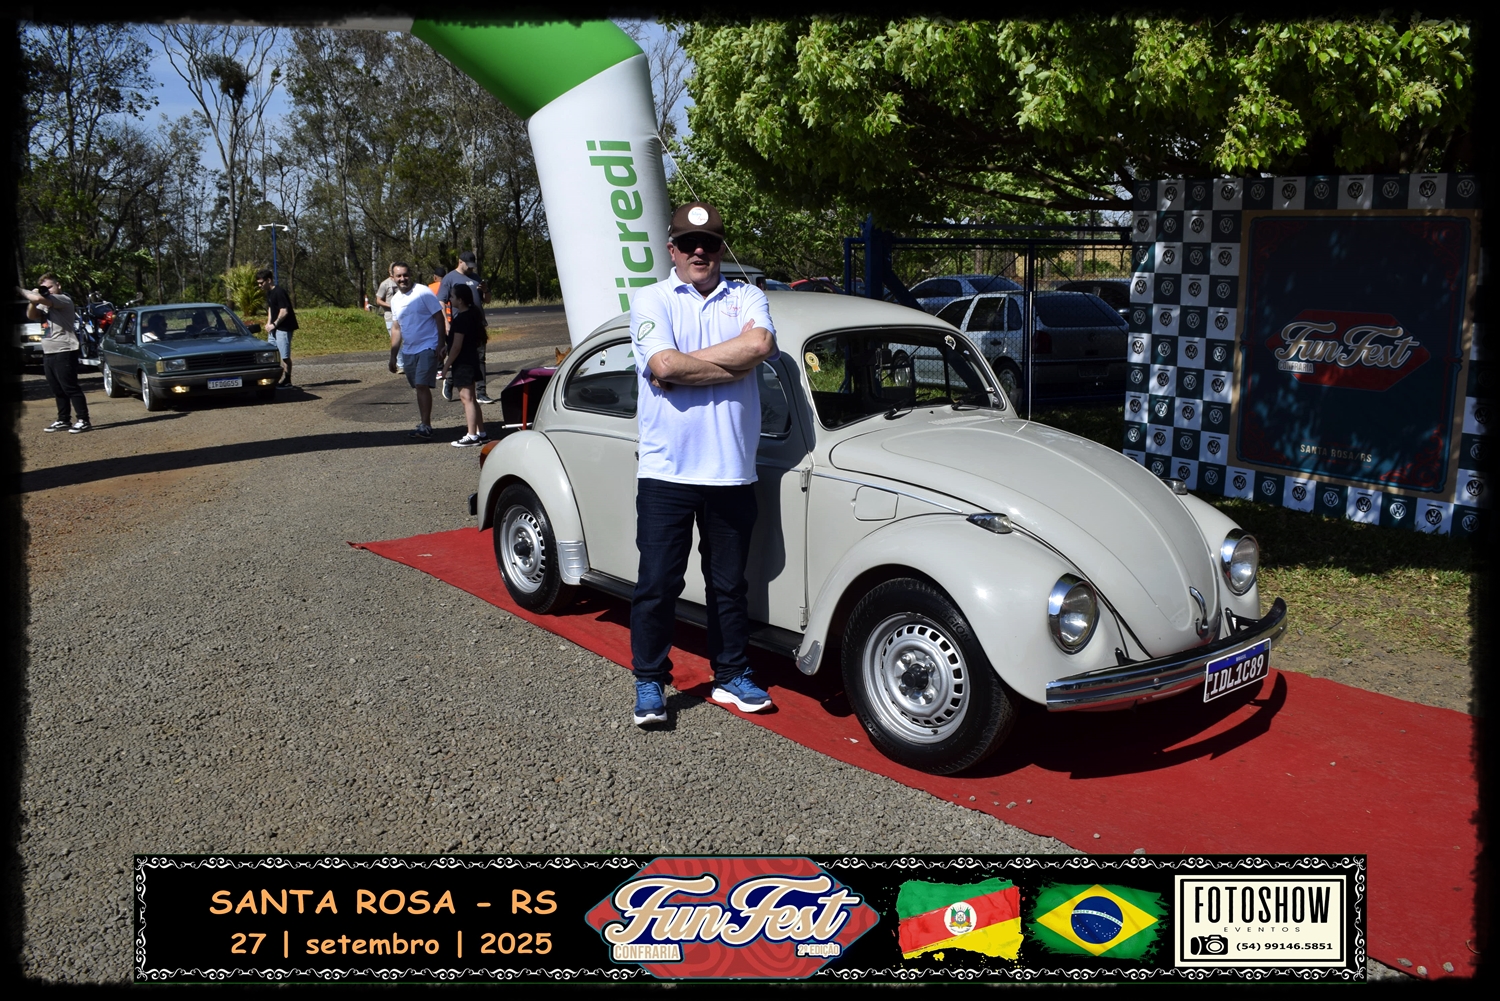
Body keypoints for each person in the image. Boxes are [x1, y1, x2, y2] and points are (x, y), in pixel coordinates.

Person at [626, 202, 779, 727]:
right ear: (671, 249)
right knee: (657, 583)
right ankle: (650, 679)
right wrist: (735, 366)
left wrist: (685, 369)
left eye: (710, 243)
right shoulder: (652, 298)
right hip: (666, 471)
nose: (699, 252)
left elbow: (761, 343)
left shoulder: (747, 296)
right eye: (689, 244)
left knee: (729, 584)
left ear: (720, 249)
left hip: (731, 470)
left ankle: (731, 674)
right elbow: (662, 363)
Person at [20, 273, 91, 433]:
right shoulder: (44, 304)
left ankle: (83, 420)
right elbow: (31, 315)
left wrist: (21, 290)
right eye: (44, 288)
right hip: (49, 350)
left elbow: (39, 298)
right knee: (57, 388)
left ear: (58, 285)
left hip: (65, 349)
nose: (48, 290)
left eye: (50, 287)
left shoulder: (62, 299)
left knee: (70, 387)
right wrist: (33, 300)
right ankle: (63, 419)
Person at [387, 262, 448, 438]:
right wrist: (393, 356)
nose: (402, 279)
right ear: (393, 278)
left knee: (422, 384)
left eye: (405, 275)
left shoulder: (423, 292)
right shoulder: (395, 300)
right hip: (409, 350)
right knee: (418, 386)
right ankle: (424, 423)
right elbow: (396, 328)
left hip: (428, 345)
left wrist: (440, 344)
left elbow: (439, 317)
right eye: (399, 276)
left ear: (410, 275)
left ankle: (426, 426)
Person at [439, 250, 492, 405]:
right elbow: (441, 301)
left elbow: (487, 300)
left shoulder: (476, 278)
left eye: (472, 266)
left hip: (476, 323)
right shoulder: (450, 278)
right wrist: (446, 322)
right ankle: (450, 381)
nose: (470, 268)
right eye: (468, 265)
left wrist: (485, 290)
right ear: (460, 262)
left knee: (479, 357)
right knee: (460, 357)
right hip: (459, 324)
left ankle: (481, 392)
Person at [440, 284, 487, 447]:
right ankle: (481, 433)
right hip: (471, 360)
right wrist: (448, 346)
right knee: (471, 398)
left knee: (467, 399)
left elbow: (457, 347)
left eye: (452, 297)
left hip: (464, 363)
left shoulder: (461, 319)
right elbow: (458, 342)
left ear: (460, 300)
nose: (449, 299)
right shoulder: (471, 314)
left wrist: (445, 367)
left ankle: (471, 435)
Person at [256, 269, 299, 388]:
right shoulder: (269, 293)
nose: (260, 286)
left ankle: (287, 380)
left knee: (284, 356)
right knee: (270, 355)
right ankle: (272, 380)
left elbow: (284, 311)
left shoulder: (279, 292)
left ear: (269, 280)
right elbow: (271, 308)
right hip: (274, 329)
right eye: (258, 283)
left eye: (261, 283)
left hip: (284, 328)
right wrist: (269, 323)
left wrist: (274, 325)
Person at [374, 264, 403, 374]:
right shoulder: (385, 284)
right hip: (390, 316)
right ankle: (401, 365)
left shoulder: (403, 283)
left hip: (404, 316)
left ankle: (409, 363)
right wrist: (391, 305)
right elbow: (378, 300)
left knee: (408, 340)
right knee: (396, 341)